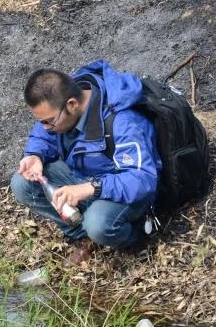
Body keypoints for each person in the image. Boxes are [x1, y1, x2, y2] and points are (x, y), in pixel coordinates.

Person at [10, 59, 162, 265]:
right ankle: (83, 235)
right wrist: (35, 155)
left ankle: (132, 239)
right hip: (84, 175)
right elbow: (43, 134)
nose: (45, 127)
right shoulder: (64, 104)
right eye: (41, 121)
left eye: (49, 121)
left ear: (72, 105)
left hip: (124, 189)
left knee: (98, 223)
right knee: (22, 183)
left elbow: (142, 179)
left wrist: (91, 188)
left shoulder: (123, 122)